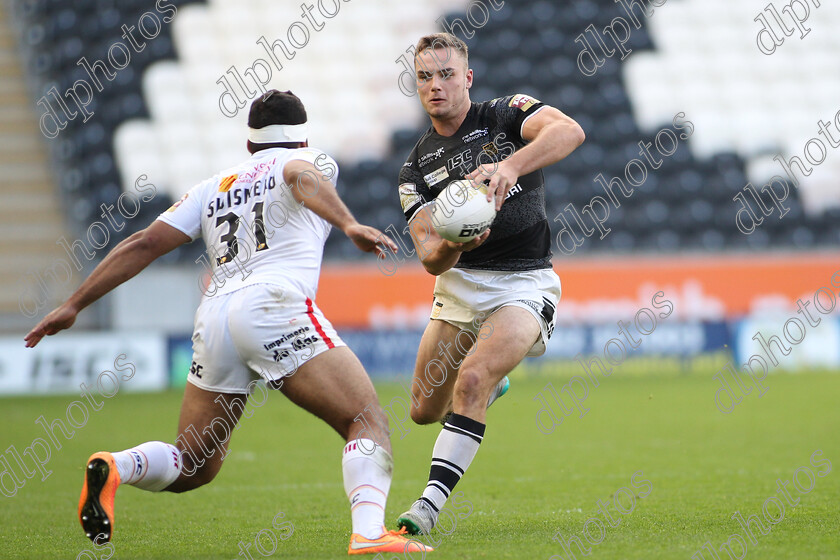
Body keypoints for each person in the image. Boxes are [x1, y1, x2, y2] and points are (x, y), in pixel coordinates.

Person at [25, 90, 431, 556]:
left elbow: (142, 244)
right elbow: (299, 176)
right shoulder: (307, 160)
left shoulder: (212, 186)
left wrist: (75, 303)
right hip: (275, 305)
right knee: (366, 420)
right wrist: (349, 225)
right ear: (302, 140)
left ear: (248, 144)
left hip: (216, 314)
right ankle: (368, 533)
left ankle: (118, 465)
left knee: (195, 462)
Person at [394, 33, 586, 535]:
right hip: (460, 284)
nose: (435, 85)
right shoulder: (414, 169)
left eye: (446, 74)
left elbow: (570, 132)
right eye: (424, 77)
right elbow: (431, 259)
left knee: (471, 380)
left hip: (525, 284)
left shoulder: (504, 114)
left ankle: (427, 507)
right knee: (421, 410)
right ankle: (495, 384)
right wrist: (459, 243)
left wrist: (509, 165)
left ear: (468, 78)